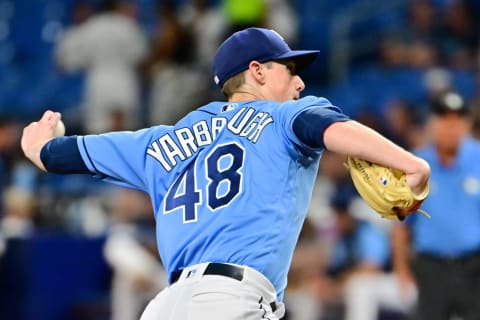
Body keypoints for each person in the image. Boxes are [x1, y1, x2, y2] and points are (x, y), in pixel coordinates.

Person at [21, 27, 430, 320]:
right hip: (231, 301)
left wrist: (37, 145)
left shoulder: (159, 141)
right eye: (290, 69)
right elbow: (334, 130)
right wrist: (412, 164)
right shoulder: (283, 117)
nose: (301, 82)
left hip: (166, 306)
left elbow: (58, 155)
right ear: (258, 71)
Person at [392, 91, 480, 320]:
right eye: (444, 119)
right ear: (432, 124)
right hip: (431, 268)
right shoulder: (415, 165)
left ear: (466, 124)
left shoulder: (478, 159)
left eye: (457, 120)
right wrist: (401, 271)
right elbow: (401, 223)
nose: (450, 127)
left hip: (475, 266)